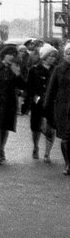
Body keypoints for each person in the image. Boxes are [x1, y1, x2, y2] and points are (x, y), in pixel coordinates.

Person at [22, 43, 58, 162]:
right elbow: (29, 87)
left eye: (54, 56)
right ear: (44, 56)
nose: (53, 58)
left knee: (51, 128)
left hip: (52, 103)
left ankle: (47, 154)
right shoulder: (34, 69)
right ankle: (36, 146)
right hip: (37, 102)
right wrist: (28, 102)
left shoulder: (56, 70)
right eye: (50, 56)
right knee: (36, 128)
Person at [43, 43, 70, 175]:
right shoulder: (58, 70)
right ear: (64, 55)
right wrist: (47, 110)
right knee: (65, 138)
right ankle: (68, 164)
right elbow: (51, 90)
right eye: (68, 53)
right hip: (63, 109)